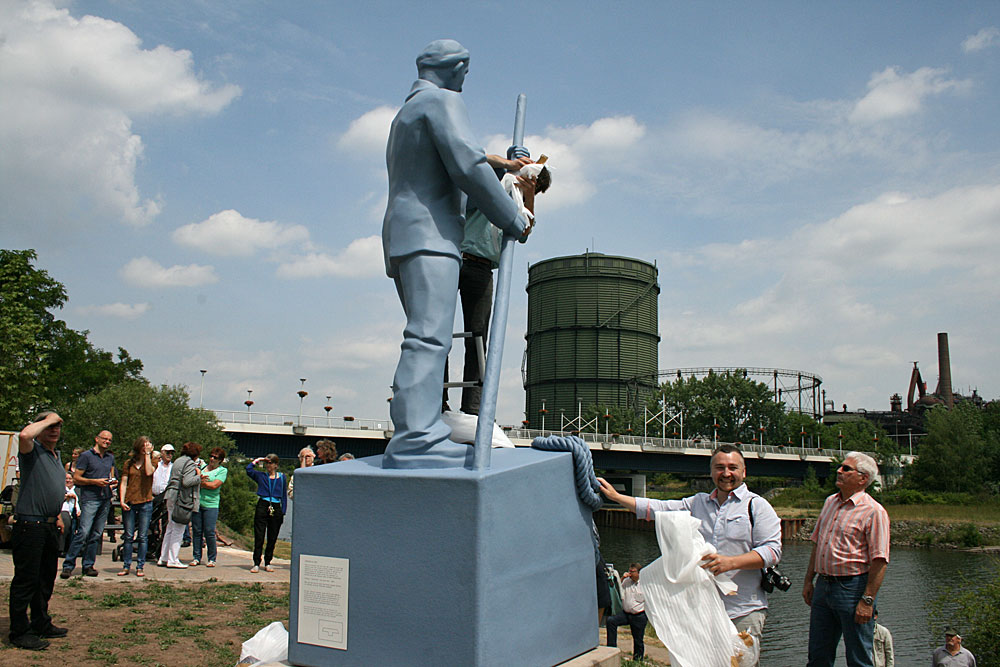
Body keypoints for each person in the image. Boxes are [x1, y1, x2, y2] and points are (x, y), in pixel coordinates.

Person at [381, 39, 530, 469]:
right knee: (430, 337)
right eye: (466, 71)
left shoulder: (403, 114)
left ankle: (419, 427)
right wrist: (513, 219)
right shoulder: (443, 102)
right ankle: (417, 437)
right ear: (458, 67)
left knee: (423, 336)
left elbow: (455, 167)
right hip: (431, 235)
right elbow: (467, 165)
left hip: (400, 234)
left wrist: (507, 167)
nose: (466, 79)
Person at [598, 444, 782, 655]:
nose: (726, 473)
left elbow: (772, 551)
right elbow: (657, 509)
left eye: (733, 467)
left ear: (744, 471)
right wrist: (616, 497)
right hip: (703, 612)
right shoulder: (697, 504)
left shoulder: (757, 506)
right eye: (719, 467)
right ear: (711, 471)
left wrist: (731, 562)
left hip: (742, 610)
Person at [444, 154, 549, 414]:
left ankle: (472, 407)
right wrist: (508, 164)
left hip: (481, 267)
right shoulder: (493, 186)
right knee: (439, 333)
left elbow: (524, 233)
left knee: (478, 337)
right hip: (454, 260)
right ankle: (438, 400)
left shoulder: (517, 207)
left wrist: (530, 197)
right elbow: (472, 157)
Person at [803, 451, 889, 667]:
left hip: (853, 589)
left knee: (859, 657)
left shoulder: (874, 511)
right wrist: (808, 581)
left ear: (863, 479)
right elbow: (818, 544)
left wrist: (867, 600)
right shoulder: (830, 502)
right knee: (818, 656)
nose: (839, 471)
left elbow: (880, 560)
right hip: (823, 586)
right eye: (841, 467)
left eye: (846, 469)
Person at [10, 411, 69, 651]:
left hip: (48, 524)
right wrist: (46, 419)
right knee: (26, 580)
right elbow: (24, 435)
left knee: (45, 579)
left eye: (57, 427)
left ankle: (40, 621)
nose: (54, 430)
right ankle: (19, 631)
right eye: (49, 427)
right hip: (30, 525)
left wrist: (56, 516)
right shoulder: (31, 450)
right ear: (40, 427)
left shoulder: (55, 455)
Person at [61, 429, 116, 578]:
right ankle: (68, 564)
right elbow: (77, 478)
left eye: (110, 440)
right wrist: (94, 481)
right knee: (83, 532)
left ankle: (88, 564)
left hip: (105, 498)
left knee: (96, 534)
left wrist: (111, 482)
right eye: (104, 439)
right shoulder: (86, 456)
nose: (107, 441)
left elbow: (111, 475)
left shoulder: (110, 457)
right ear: (96, 439)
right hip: (90, 498)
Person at [157, 442, 202, 569]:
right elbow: (187, 482)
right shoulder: (189, 463)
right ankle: (173, 559)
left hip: (170, 495)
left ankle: (163, 557)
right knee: (179, 528)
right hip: (181, 498)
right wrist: (199, 477)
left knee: (170, 527)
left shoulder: (178, 460)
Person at [118, 436, 155, 577]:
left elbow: (148, 472)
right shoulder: (129, 463)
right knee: (128, 535)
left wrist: (147, 455)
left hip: (145, 501)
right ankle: (126, 565)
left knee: (143, 536)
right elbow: (124, 482)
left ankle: (140, 566)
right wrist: (122, 500)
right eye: (144, 445)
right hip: (130, 502)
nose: (147, 447)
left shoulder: (153, 462)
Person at [246, 454, 287, 573]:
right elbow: (249, 470)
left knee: (272, 537)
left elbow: (284, 495)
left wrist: (283, 511)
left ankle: (268, 561)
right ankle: (256, 563)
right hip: (263, 505)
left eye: (270, 463)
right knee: (259, 535)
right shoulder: (261, 476)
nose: (268, 465)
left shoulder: (282, 477)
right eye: (267, 463)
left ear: (276, 465)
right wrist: (257, 461)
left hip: (275, 506)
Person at [190, 447, 227, 567]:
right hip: (198, 503)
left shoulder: (222, 471)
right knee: (197, 531)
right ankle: (196, 557)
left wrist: (201, 483)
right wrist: (201, 481)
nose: (212, 459)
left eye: (215, 458)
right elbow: (192, 480)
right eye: (211, 456)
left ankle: (212, 558)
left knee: (209, 531)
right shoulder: (202, 467)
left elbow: (214, 485)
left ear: (220, 460)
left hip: (211, 505)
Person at [604, 562, 647, 661]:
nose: (630, 574)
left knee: (638, 640)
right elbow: (617, 588)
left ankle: (638, 660)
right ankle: (611, 649)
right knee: (611, 621)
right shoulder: (626, 581)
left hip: (638, 615)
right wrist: (622, 578)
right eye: (629, 571)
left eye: (633, 572)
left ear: (639, 573)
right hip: (626, 613)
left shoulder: (644, 584)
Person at [151, 444, 174, 539]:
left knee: (166, 522)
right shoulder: (156, 465)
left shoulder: (173, 467)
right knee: (152, 521)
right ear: (162, 453)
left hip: (166, 498)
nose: (169, 455)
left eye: (171, 453)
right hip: (154, 497)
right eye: (167, 452)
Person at [58, 472, 80, 556]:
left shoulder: (78, 491)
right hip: (63, 510)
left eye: (70, 479)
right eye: (66, 478)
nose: (68, 480)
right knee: (66, 521)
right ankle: (62, 548)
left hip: (76, 511)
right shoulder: (60, 489)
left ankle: (77, 549)